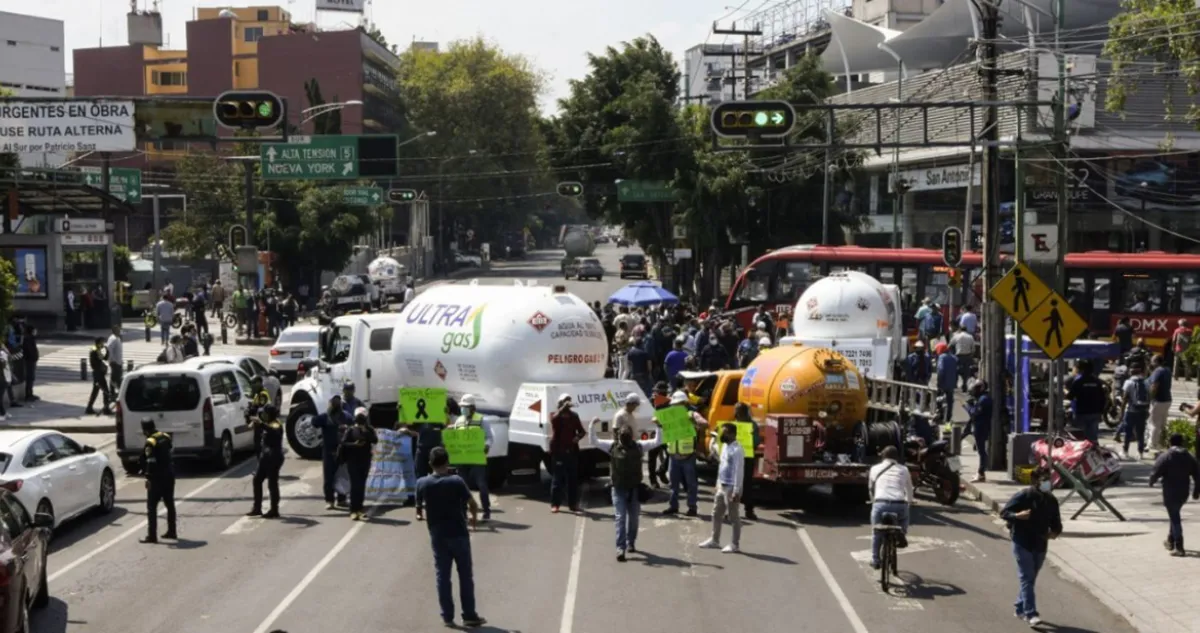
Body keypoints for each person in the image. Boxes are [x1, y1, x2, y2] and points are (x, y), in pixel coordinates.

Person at [414, 447, 487, 628]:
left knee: (442, 576)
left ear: (430, 463)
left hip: (438, 535)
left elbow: (418, 511)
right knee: (465, 576)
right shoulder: (456, 481)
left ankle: (447, 616)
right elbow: (472, 504)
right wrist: (474, 521)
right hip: (459, 533)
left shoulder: (422, 483)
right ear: (447, 462)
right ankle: (469, 615)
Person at [588, 417, 662, 561]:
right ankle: (620, 548)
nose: (626, 438)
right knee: (620, 518)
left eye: (627, 436)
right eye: (623, 436)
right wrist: (592, 425)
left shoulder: (639, 446)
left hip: (634, 489)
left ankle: (631, 543)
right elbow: (594, 441)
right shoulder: (612, 446)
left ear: (632, 437)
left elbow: (656, 442)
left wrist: (659, 427)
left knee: (633, 519)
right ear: (619, 436)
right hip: (618, 489)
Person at [1000, 467, 1062, 626]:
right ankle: (1030, 613)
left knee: (1031, 578)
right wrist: (1017, 516)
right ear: (1035, 481)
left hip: (1041, 543)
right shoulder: (1024, 495)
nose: (1047, 482)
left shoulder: (1051, 500)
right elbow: (1004, 512)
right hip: (1022, 542)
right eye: (1044, 479)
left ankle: (1019, 607)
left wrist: (1055, 532)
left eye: (1049, 478)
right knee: (1026, 577)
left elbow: (1056, 522)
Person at [1150, 433, 1200, 556]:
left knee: (1175, 517)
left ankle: (1179, 546)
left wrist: (1152, 481)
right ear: (1182, 443)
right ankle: (1170, 540)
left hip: (1170, 491)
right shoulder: (1189, 457)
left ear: (1170, 442)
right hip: (1183, 492)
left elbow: (1156, 470)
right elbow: (1197, 475)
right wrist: (1196, 491)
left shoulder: (1166, 456)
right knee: (1174, 514)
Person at [698, 422, 745, 553]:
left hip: (731, 488)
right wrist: (718, 483)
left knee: (733, 517)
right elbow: (722, 466)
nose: (722, 435)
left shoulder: (737, 450)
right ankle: (714, 540)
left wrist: (736, 490)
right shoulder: (725, 446)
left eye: (724, 432)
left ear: (731, 434)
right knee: (716, 513)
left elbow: (738, 471)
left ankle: (735, 544)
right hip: (722, 485)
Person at [661, 390, 708, 517]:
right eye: (674, 404)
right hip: (673, 455)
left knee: (691, 483)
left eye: (678, 404)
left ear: (684, 403)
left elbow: (704, 423)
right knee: (673, 484)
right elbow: (655, 420)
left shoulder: (691, 414)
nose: (675, 407)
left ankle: (692, 507)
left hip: (688, 456)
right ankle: (673, 506)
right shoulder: (671, 416)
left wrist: (693, 421)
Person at [867, 445, 912, 569]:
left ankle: (875, 560)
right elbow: (909, 489)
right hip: (899, 503)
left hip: (880, 503)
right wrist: (909, 502)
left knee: (876, 532)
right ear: (897, 457)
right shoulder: (904, 469)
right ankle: (902, 532)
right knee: (904, 516)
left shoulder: (874, 468)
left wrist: (873, 501)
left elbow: (871, 489)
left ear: (883, 456)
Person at [452, 394, 493, 522]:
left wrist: (486, 446)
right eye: (462, 407)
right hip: (462, 458)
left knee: (481, 484)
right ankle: (463, 511)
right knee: (462, 485)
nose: (463, 409)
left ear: (473, 407)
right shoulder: (458, 421)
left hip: (477, 457)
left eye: (465, 407)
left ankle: (486, 510)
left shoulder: (482, 420)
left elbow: (489, 437)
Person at [139, 418, 177, 543]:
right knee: (169, 504)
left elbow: (150, 461)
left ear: (145, 430)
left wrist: (148, 478)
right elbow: (170, 452)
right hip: (169, 475)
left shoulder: (151, 442)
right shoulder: (165, 436)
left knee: (151, 507)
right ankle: (172, 531)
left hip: (157, 478)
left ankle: (152, 535)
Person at [548, 393, 585, 513]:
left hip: (572, 452)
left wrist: (577, 437)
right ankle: (555, 504)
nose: (568, 405)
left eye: (569, 402)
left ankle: (573, 504)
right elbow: (554, 421)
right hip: (559, 452)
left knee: (573, 480)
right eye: (565, 402)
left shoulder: (574, 416)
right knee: (557, 479)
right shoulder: (555, 416)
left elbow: (582, 431)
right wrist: (563, 407)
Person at [247, 404, 285, 518]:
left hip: (274, 457)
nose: (263, 415)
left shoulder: (276, 423)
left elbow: (274, 431)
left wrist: (262, 424)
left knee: (272, 484)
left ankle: (274, 510)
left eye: (265, 413)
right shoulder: (267, 423)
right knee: (257, 480)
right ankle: (257, 508)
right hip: (265, 457)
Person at [312, 394, 350, 508]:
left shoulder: (345, 416)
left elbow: (352, 424)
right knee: (329, 477)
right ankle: (330, 500)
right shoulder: (325, 417)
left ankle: (341, 499)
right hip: (328, 451)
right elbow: (314, 421)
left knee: (342, 475)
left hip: (342, 450)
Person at [341, 407, 378, 520]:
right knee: (355, 486)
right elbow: (343, 443)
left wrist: (365, 431)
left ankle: (360, 508)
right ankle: (353, 509)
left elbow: (375, 440)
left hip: (365, 461)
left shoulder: (369, 429)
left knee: (361, 485)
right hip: (353, 462)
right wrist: (354, 445)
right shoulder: (351, 430)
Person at [1065, 359, 1107, 444]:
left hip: (1081, 413)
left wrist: (1065, 392)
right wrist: (1101, 411)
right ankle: (1094, 453)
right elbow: (1103, 398)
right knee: (1093, 438)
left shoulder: (1078, 381)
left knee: (1080, 439)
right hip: (1095, 412)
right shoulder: (1097, 381)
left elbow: (1070, 396)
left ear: (1081, 369)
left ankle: (1083, 455)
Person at [732, 403, 760, 521]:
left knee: (746, 484)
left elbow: (755, 441)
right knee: (735, 485)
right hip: (737, 459)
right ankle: (736, 510)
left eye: (738, 411)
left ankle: (748, 510)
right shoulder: (733, 425)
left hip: (746, 458)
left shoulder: (751, 426)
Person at [1119, 363, 1151, 460]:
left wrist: (1121, 412)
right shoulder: (1146, 382)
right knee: (1140, 432)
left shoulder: (1128, 382)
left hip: (1131, 411)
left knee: (1128, 432)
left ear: (1131, 371)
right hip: (1142, 410)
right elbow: (1149, 397)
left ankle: (1125, 451)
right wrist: (1147, 410)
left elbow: (1124, 398)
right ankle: (1140, 453)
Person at [965, 380, 992, 483]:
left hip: (981, 427)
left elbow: (974, 413)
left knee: (981, 451)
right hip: (980, 427)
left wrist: (967, 406)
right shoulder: (982, 398)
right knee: (980, 450)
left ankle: (981, 473)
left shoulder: (984, 400)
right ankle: (981, 472)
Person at [1149, 354, 1173, 452]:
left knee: (1154, 423)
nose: (1151, 362)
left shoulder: (1157, 372)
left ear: (1156, 362)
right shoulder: (1167, 370)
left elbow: (1154, 386)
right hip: (1167, 399)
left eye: (1152, 361)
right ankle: (1161, 442)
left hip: (1159, 400)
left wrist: (1150, 398)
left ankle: (1153, 444)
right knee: (1162, 423)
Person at [85, 337, 112, 416]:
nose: (103, 344)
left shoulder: (96, 349)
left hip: (98, 374)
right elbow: (103, 359)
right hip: (98, 374)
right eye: (102, 342)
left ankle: (89, 408)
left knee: (95, 391)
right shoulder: (95, 350)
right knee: (106, 391)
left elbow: (105, 358)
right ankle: (106, 409)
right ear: (99, 343)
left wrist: (107, 350)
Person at [948, 323, 976, 392]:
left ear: (960, 329)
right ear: (966, 330)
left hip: (958, 356)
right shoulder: (970, 337)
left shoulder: (957, 336)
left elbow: (949, 345)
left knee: (955, 371)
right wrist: (971, 355)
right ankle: (964, 386)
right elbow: (973, 349)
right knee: (966, 372)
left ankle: (955, 385)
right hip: (967, 356)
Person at [935, 347, 958, 424]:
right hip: (951, 383)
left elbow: (941, 370)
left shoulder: (942, 357)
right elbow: (956, 371)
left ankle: (940, 415)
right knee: (950, 400)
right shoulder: (954, 358)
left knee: (939, 399)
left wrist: (939, 382)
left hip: (943, 382)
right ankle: (948, 417)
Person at [105, 325, 124, 403]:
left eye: (119, 330)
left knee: (116, 378)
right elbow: (109, 349)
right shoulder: (113, 339)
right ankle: (114, 393)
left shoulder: (117, 338)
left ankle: (115, 392)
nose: (119, 331)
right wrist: (112, 360)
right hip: (115, 362)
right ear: (114, 330)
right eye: (118, 330)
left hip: (118, 362)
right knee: (116, 378)